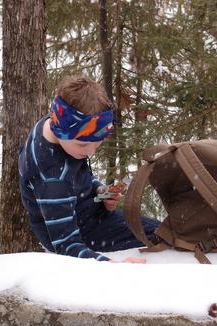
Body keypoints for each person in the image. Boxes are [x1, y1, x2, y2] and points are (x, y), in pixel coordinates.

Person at [18, 76, 160, 263]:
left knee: (162, 230)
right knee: (161, 235)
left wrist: (99, 190)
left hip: (88, 211)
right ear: (61, 130)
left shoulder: (57, 123)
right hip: (80, 231)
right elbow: (66, 245)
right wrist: (113, 266)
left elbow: (76, 177)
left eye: (97, 143)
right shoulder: (52, 177)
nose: (90, 152)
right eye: (83, 144)